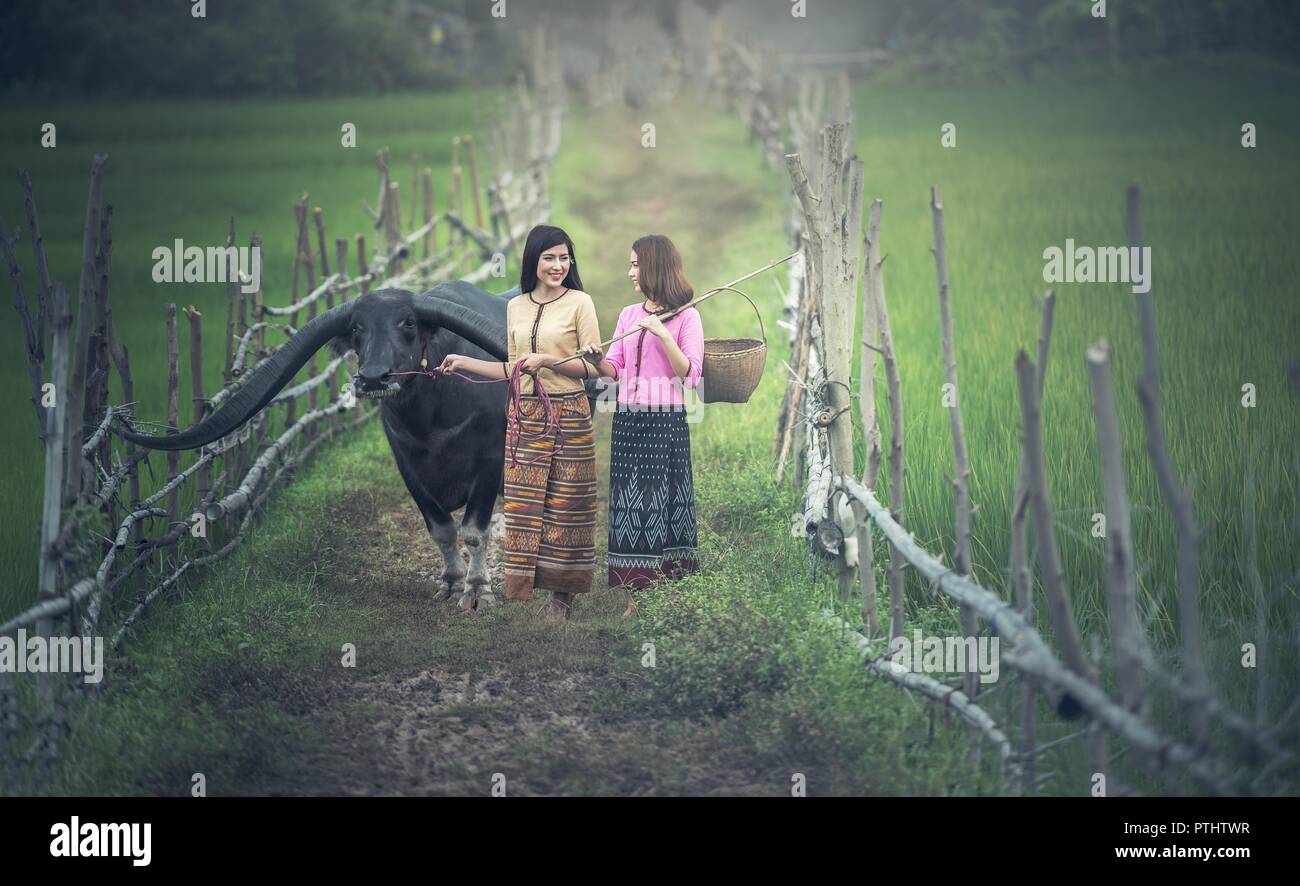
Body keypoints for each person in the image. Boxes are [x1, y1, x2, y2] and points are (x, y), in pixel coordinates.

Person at [439, 225, 601, 622]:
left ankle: (562, 601)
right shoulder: (517, 307)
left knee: (566, 506)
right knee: (526, 507)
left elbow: (593, 369)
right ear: (533, 260)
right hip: (526, 414)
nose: (558, 265)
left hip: (568, 413)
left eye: (565, 257)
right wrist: (464, 363)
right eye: (550, 258)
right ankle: (525, 585)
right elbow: (513, 369)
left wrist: (549, 360)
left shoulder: (581, 303)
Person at [580, 234, 703, 619]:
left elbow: (691, 376)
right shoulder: (629, 316)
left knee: (661, 503)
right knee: (629, 503)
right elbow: (613, 369)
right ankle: (635, 596)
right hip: (628, 421)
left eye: (636, 264)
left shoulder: (688, 316)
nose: (630, 272)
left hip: (665, 422)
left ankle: (671, 588)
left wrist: (663, 334)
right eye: (630, 264)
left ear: (655, 267)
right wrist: (597, 359)